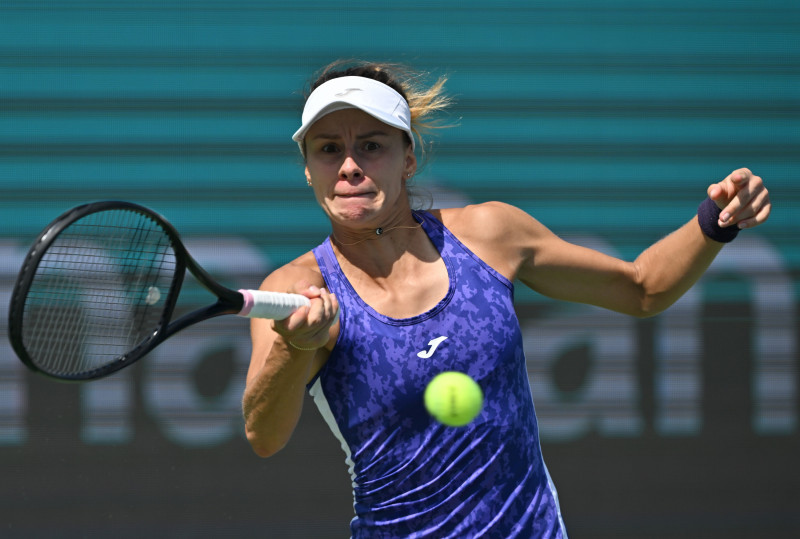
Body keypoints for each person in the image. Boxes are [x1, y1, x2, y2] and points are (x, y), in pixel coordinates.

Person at [241, 60, 771, 538]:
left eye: (372, 145)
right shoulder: (295, 291)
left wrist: (717, 220)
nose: (350, 166)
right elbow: (262, 435)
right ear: (308, 167)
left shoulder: (490, 234)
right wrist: (294, 347)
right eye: (329, 148)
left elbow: (642, 288)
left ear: (408, 157)